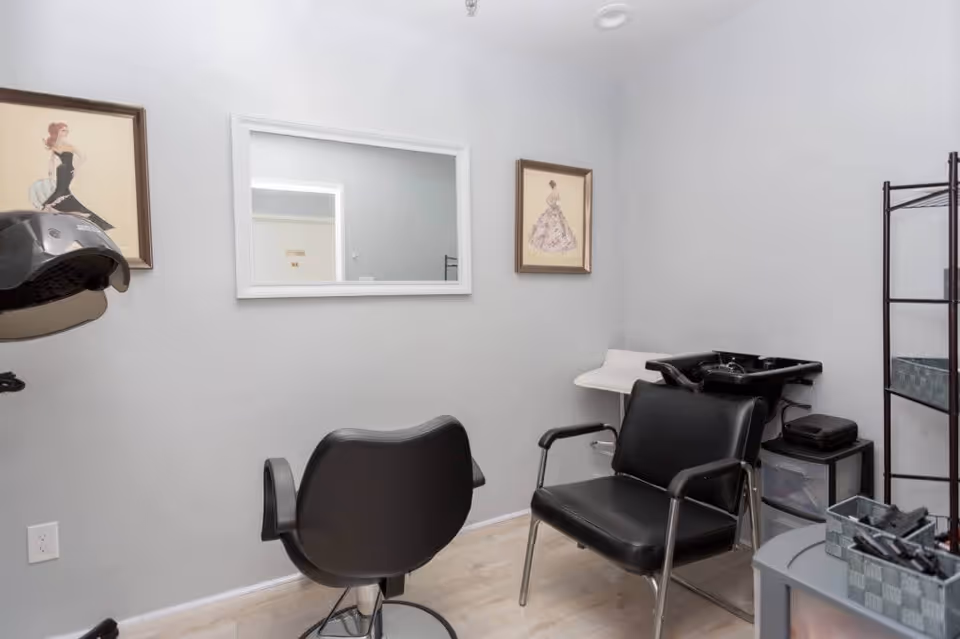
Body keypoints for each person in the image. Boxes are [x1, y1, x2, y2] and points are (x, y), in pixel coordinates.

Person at [38, 122, 114, 231]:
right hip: (61, 170)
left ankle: (48, 208)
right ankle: (83, 216)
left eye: (66, 130)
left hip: (68, 170)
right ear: (57, 131)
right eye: (63, 130)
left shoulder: (68, 144)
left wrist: (76, 168)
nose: (66, 132)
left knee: (61, 192)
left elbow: (83, 156)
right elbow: (51, 159)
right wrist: (50, 172)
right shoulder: (56, 144)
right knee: (62, 192)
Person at [528, 179, 577, 253]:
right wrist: (554, 205)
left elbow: (549, 200)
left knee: (556, 225)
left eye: (551, 186)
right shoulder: (556, 192)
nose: (553, 187)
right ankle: (555, 242)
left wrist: (553, 205)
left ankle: (554, 242)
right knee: (554, 224)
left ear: (552, 186)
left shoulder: (554, 192)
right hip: (554, 210)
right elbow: (552, 201)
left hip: (555, 210)